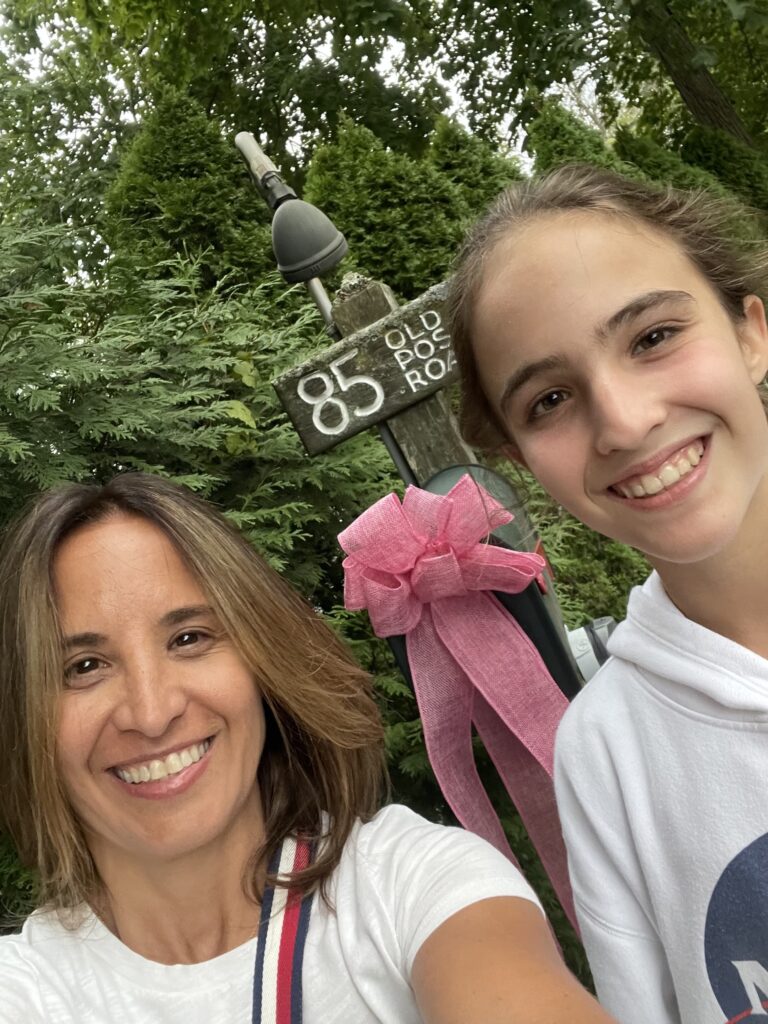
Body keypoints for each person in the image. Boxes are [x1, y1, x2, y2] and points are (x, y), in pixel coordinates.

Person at [0, 472, 613, 1024]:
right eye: (83, 666)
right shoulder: (24, 989)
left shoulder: (413, 888)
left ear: (261, 661)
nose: (153, 713)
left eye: (189, 638)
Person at [450, 163, 768, 1024]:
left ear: (751, 331)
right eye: (551, 399)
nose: (625, 423)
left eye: (654, 336)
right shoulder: (603, 756)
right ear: (520, 460)